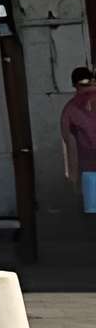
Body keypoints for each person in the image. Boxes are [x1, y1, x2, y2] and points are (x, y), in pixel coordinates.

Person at [62, 64, 96, 220]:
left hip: (89, 170)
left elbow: (69, 145)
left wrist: (73, 177)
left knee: (92, 218)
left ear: (74, 85)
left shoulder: (69, 109)